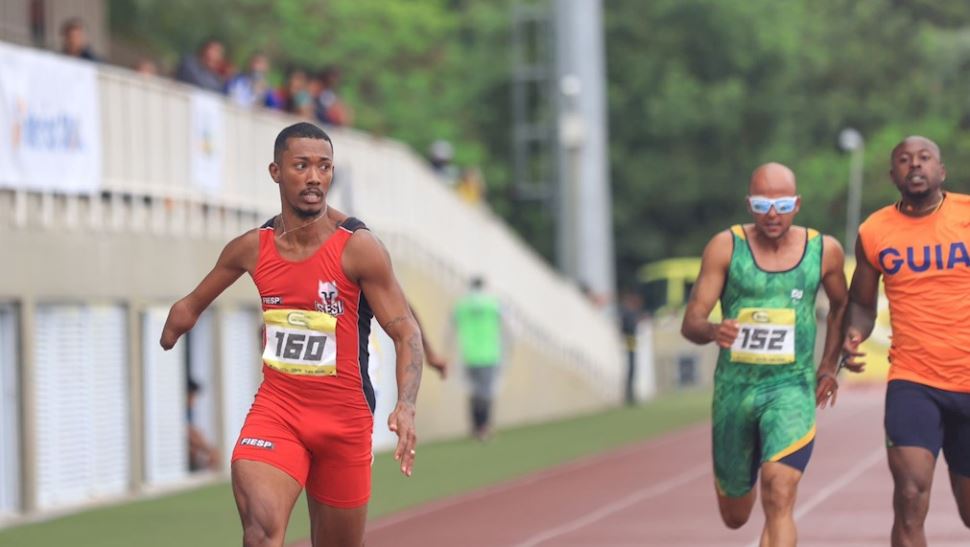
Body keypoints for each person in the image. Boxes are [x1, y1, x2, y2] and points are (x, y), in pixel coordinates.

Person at [160, 122, 422, 547]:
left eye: (324, 167)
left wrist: (406, 405)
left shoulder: (358, 248)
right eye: (302, 166)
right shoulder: (252, 248)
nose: (315, 177)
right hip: (279, 411)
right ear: (276, 171)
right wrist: (176, 324)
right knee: (261, 533)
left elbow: (406, 330)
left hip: (345, 421)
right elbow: (190, 305)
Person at [680, 163, 847, 546]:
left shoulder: (824, 251)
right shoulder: (725, 247)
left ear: (798, 204)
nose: (773, 213)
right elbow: (691, 321)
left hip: (790, 388)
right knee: (735, 516)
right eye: (762, 203)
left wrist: (828, 365)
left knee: (780, 492)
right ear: (748, 204)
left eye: (783, 203)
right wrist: (712, 330)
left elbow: (842, 306)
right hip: (735, 393)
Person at [842, 135, 970, 546]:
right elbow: (860, 303)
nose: (914, 165)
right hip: (913, 380)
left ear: (941, 170)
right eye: (904, 159)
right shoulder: (875, 230)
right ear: (893, 174)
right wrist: (854, 333)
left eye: (924, 157)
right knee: (910, 496)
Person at [450, 276, 506, 441]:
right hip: (489, 354)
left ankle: (475, 426)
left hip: (469, 354)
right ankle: (484, 426)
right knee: (486, 391)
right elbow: (506, 324)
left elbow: (452, 325)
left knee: (474, 391)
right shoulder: (493, 303)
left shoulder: (462, 305)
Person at [186, 377, 219, 472]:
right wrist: (209, 450)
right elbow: (189, 433)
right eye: (192, 396)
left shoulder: (189, 413)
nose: (194, 401)